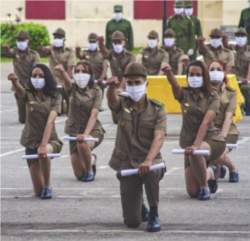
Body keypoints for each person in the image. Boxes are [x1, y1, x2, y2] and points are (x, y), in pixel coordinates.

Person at [107, 62, 166, 232]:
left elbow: (159, 136)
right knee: (132, 222)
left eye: (137, 82)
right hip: (127, 165)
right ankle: (139, 204)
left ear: (146, 84)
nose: (133, 86)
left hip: (150, 161)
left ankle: (154, 213)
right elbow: (112, 102)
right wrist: (111, 88)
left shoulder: (157, 108)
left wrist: (148, 160)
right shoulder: (122, 105)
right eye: (130, 83)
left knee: (151, 170)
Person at [161, 60, 226, 200]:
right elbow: (174, 84)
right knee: (192, 192)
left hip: (211, 139)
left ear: (205, 77)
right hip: (190, 143)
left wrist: (196, 145)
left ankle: (204, 186)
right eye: (191, 74)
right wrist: (168, 72)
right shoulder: (184, 94)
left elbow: (206, 122)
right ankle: (210, 172)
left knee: (195, 153)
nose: (194, 77)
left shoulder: (213, 96)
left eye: (198, 74)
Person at [7, 64, 63, 199]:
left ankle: (48, 185)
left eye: (41, 76)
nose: (37, 78)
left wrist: (43, 146)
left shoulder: (55, 97)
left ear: (47, 78)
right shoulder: (28, 94)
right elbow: (20, 90)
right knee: (37, 191)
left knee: (44, 153)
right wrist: (14, 81)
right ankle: (42, 187)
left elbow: (50, 122)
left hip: (50, 140)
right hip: (31, 142)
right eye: (34, 76)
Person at [54, 61, 104, 182]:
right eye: (77, 71)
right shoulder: (72, 89)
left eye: (84, 71)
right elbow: (67, 83)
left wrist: (86, 134)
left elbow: (94, 114)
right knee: (78, 175)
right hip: (74, 132)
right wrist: (62, 71)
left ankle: (89, 171)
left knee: (83, 143)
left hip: (93, 131)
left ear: (90, 74)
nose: (80, 74)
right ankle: (91, 159)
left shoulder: (96, 90)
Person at [208, 60, 239, 182]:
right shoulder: (204, 91)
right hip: (210, 131)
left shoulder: (231, 92)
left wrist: (221, 138)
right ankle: (218, 167)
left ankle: (232, 168)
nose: (215, 72)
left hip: (228, 131)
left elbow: (228, 117)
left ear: (224, 72)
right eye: (211, 70)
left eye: (218, 69)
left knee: (219, 154)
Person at [2, 30, 40, 123]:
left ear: (28, 41)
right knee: (22, 119)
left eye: (22, 40)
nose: (20, 42)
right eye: (18, 40)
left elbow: (36, 69)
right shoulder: (16, 52)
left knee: (32, 112)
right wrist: (6, 49)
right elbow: (10, 53)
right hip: (19, 85)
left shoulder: (34, 55)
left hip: (30, 85)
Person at [98, 31, 135, 123]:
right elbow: (104, 52)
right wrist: (101, 43)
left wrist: (121, 87)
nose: (117, 44)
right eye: (115, 42)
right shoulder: (111, 54)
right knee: (116, 120)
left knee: (129, 117)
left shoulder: (131, 56)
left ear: (124, 42)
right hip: (115, 87)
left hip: (129, 86)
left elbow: (127, 72)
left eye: (119, 42)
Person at [38, 28, 75, 114]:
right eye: (55, 37)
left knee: (70, 106)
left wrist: (68, 81)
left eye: (59, 37)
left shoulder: (69, 52)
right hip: (53, 81)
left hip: (64, 79)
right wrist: (42, 48)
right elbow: (46, 50)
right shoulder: (51, 49)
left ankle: (67, 106)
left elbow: (70, 67)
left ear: (64, 39)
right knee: (56, 106)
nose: (57, 39)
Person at [76, 32, 109, 109]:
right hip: (88, 78)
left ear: (97, 43)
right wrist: (77, 51)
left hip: (99, 79)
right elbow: (80, 56)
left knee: (99, 91)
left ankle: (98, 105)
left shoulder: (102, 54)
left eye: (93, 42)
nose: (91, 44)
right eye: (90, 42)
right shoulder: (86, 53)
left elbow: (105, 67)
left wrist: (102, 77)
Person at [222, 28, 250, 116]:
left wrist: (247, 78)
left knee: (246, 88)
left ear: (246, 37)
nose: (240, 37)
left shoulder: (249, 51)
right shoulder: (232, 49)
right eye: (238, 36)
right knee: (224, 87)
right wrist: (223, 38)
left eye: (242, 36)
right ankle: (228, 108)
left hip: (245, 78)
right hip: (233, 78)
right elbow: (225, 45)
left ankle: (248, 108)